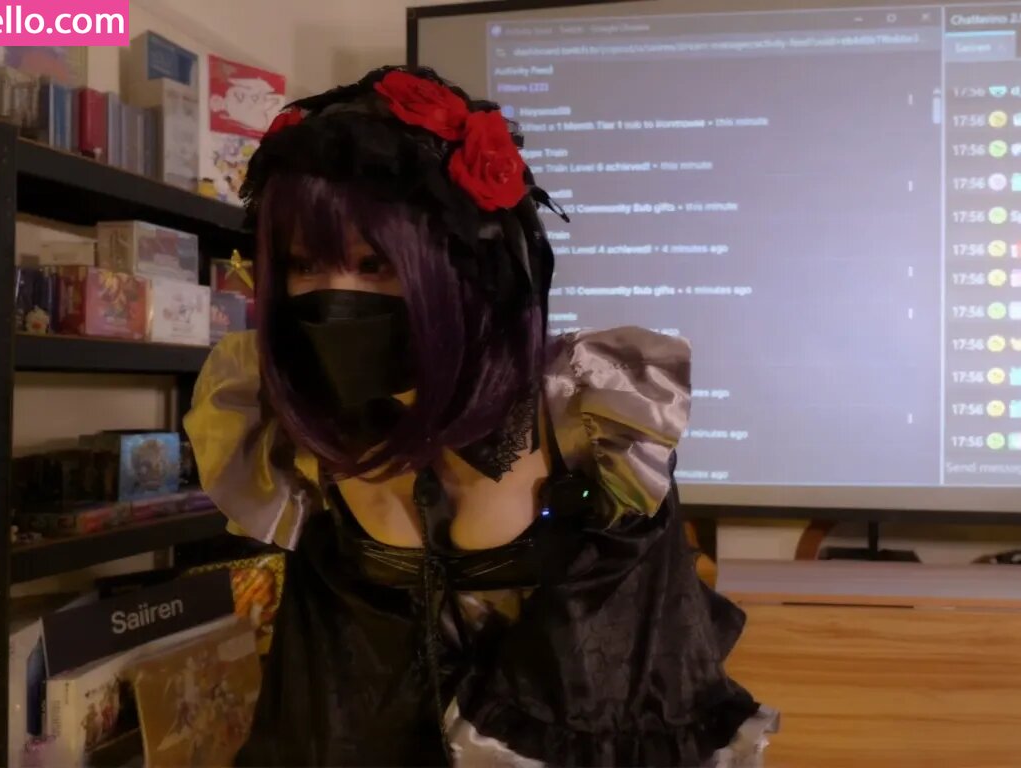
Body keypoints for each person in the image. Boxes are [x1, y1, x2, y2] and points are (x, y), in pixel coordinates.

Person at [184, 65, 776, 767]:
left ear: (467, 266)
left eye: (376, 265)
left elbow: (641, 670)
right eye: (305, 264)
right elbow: (321, 689)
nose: (336, 296)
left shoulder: (587, 416)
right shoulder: (299, 435)